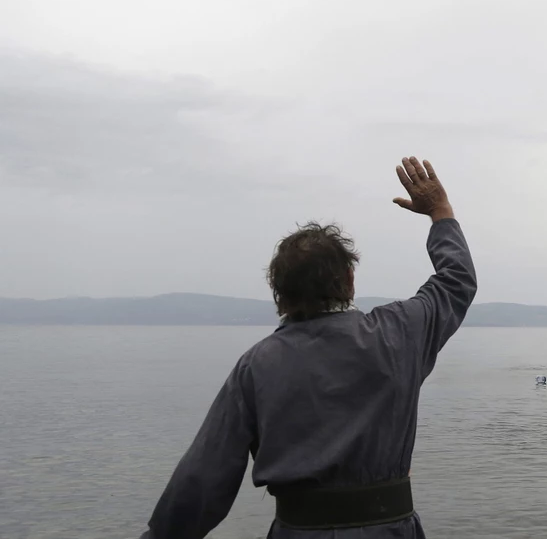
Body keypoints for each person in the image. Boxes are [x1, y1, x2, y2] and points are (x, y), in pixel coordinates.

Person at [140, 156, 475, 539]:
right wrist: (440, 212)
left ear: (279, 292)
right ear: (349, 279)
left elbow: (203, 479)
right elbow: (456, 281)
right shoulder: (399, 333)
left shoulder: (257, 366)